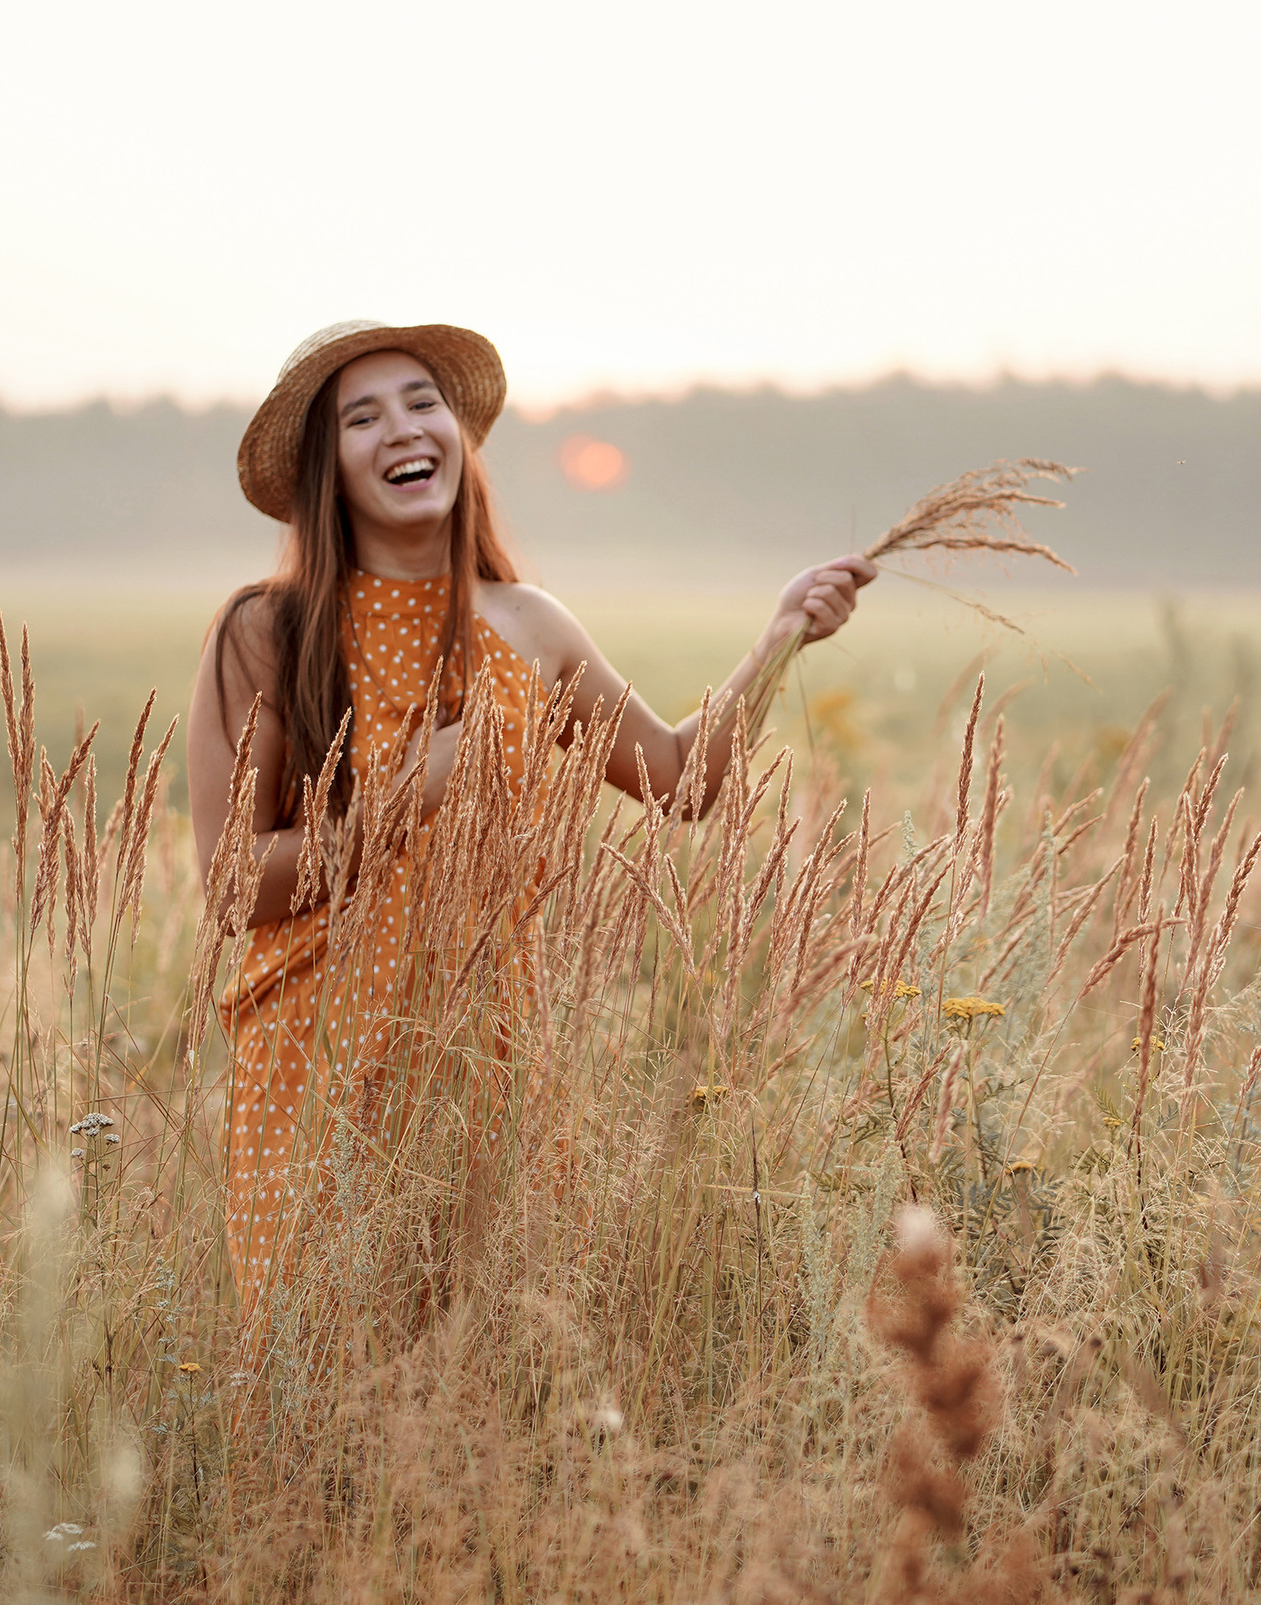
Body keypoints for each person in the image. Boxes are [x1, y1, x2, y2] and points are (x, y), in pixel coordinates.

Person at [187, 319, 873, 1307]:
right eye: (361, 418)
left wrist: (778, 643)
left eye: (423, 403)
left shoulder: (528, 625)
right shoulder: (267, 630)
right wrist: (414, 788)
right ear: (324, 472)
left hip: (491, 1059)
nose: (403, 430)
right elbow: (229, 887)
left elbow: (680, 778)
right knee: (318, 1385)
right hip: (315, 1066)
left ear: (459, 438)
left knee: (482, 1383)